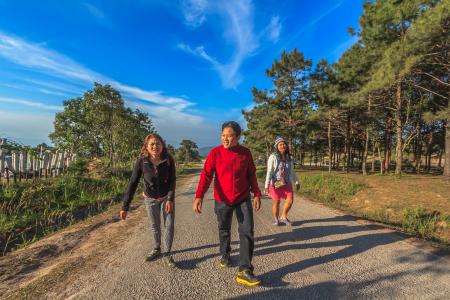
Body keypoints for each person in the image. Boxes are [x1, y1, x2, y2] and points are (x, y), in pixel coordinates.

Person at [193, 121, 262, 286]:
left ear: (238, 136)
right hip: (222, 200)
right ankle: (225, 255)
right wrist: (199, 196)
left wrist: (257, 193)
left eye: (229, 135)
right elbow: (206, 175)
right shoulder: (215, 153)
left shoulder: (245, 153)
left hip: (242, 198)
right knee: (224, 230)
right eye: (223, 135)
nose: (225, 139)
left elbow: (251, 174)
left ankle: (245, 270)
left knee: (247, 231)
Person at [120, 133, 177, 268]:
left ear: (162, 145)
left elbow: (172, 180)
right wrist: (125, 206)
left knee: (168, 225)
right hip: (150, 199)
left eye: (158, 143)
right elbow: (133, 183)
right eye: (152, 144)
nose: (155, 146)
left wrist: (170, 198)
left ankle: (167, 253)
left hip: (165, 198)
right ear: (146, 146)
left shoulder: (168, 159)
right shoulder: (142, 161)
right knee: (154, 225)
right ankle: (157, 249)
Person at [264, 137, 300, 226]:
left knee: (290, 200)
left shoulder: (289, 157)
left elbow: (291, 171)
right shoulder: (273, 157)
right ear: (277, 146)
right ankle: (276, 219)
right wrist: (266, 185)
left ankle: (283, 216)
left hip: (286, 183)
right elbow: (269, 171)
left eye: (284, 144)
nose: (283, 146)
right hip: (275, 184)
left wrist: (296, 181)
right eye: (280, 144)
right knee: (277, 202)